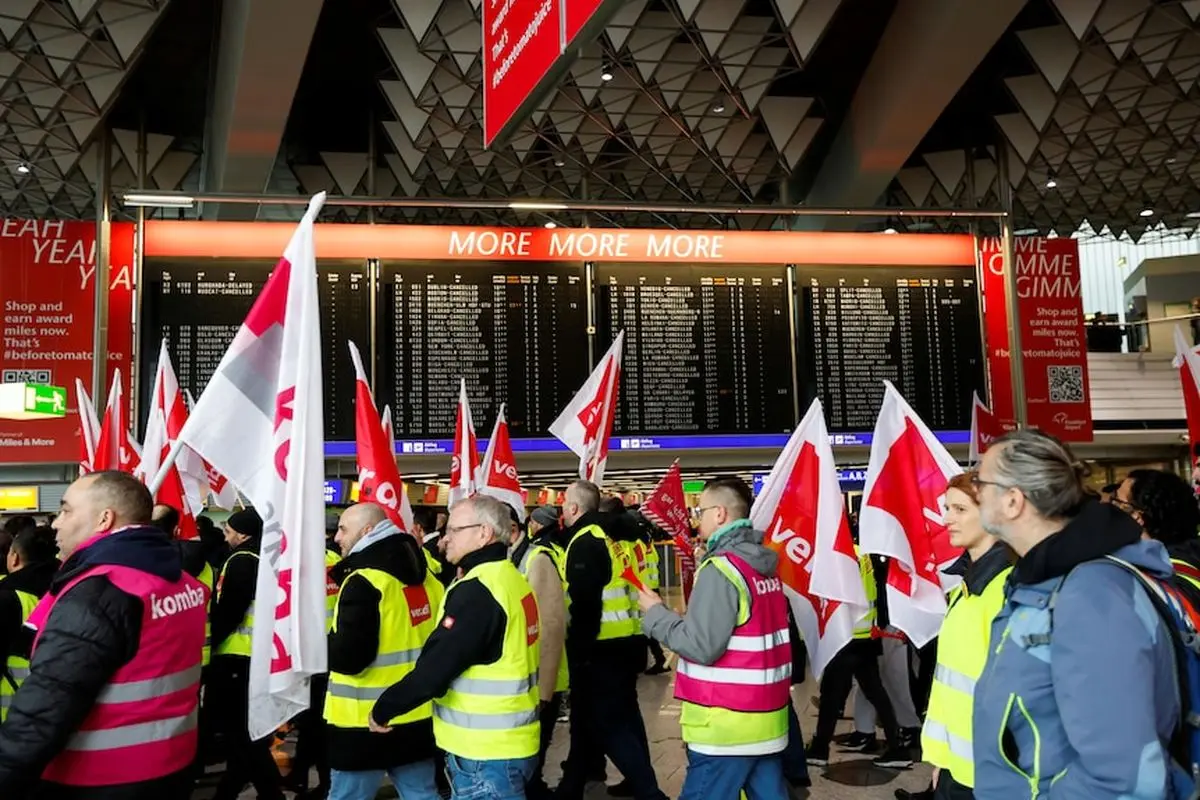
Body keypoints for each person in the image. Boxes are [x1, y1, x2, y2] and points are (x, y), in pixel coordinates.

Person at [972, 429, 1182, 798]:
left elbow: (1124, 779)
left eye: (980, 480)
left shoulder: (1092, 596)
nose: (975, 491)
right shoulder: (1040, 582)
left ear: (1013, 501)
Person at [0, 471, 206, 798]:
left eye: (66, 511)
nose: (55, 523)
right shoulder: (180, 581)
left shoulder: (101, 592)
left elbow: (46, 705)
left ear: (104, 519)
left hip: (98, 779)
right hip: (170, 766)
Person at [368, 494, 540, 800]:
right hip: (513, 743)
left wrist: (385, 708)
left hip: (484, 753)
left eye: (455, 530)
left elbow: (437, 668)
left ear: (484, 533)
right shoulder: (512, 579)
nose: (446, 539)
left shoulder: (478, 591)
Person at [637, 477, 791, 799]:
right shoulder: (763, 568)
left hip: (725, 726)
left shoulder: (721, 570)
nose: (697, 518)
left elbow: (701, 646)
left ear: (719, 514)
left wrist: (656, 615)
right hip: (767, 720)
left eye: (701, 510)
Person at [900, 472, 1012, 800]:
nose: (947, 518)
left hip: (993, 773)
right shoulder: (966, 587)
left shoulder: (1006, 589)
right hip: (958, 769)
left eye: (960, 509)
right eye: (947, 508)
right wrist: (943, 762)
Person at [556, 480, 667, 800]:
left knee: (609, 723)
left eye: (565, 504)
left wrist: (578, 653)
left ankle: (649, 792)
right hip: (629, 640)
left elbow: (585, 603)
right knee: (613, 716)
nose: (563, 509)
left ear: (574, 508)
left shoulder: (586, 540)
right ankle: (573, 784)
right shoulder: (623, 537)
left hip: (600, 648)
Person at [323, 503, 442, 800]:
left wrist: (316, 645)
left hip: (362, 722)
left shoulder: (363, 582)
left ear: (367, 531)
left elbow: (350, 659)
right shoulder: (429, 579)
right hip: (416, 714)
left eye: (343, 529)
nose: (337, 537)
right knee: (422, 794)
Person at [807, 544, 912, 769]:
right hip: (864, 634)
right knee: (875, 692)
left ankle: (819, 749)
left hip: (847, 634)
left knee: (831, 696)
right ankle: (897, 748)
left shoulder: (840, 553)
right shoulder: (857, 551)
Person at [207, 508, 285, 800]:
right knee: (245, 733)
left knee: (240, 734)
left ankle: (269, 793)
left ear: (242, 534)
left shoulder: (242, 560)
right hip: (263, 656)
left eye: (228, 531)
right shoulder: (269, 558)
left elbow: (229, 611)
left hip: (238, 657)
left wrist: (210, 642)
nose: (225, 536)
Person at [511, 505, 568, 800]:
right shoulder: (500, 562)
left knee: (534, 749)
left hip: (539, 676)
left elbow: (550, 623)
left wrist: (544, 689)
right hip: (514, 679)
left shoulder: (537, 558)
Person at [1115, 468, 1200, 608]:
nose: (1111, 509)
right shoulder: (1185, 559)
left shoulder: (1165, 579)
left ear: (1137, 516)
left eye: (1117, 502)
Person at [0, 527, 58, 722]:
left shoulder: (7, 598)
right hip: (58, 710)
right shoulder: (71, 590)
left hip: (11, 711)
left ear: (14, 558)